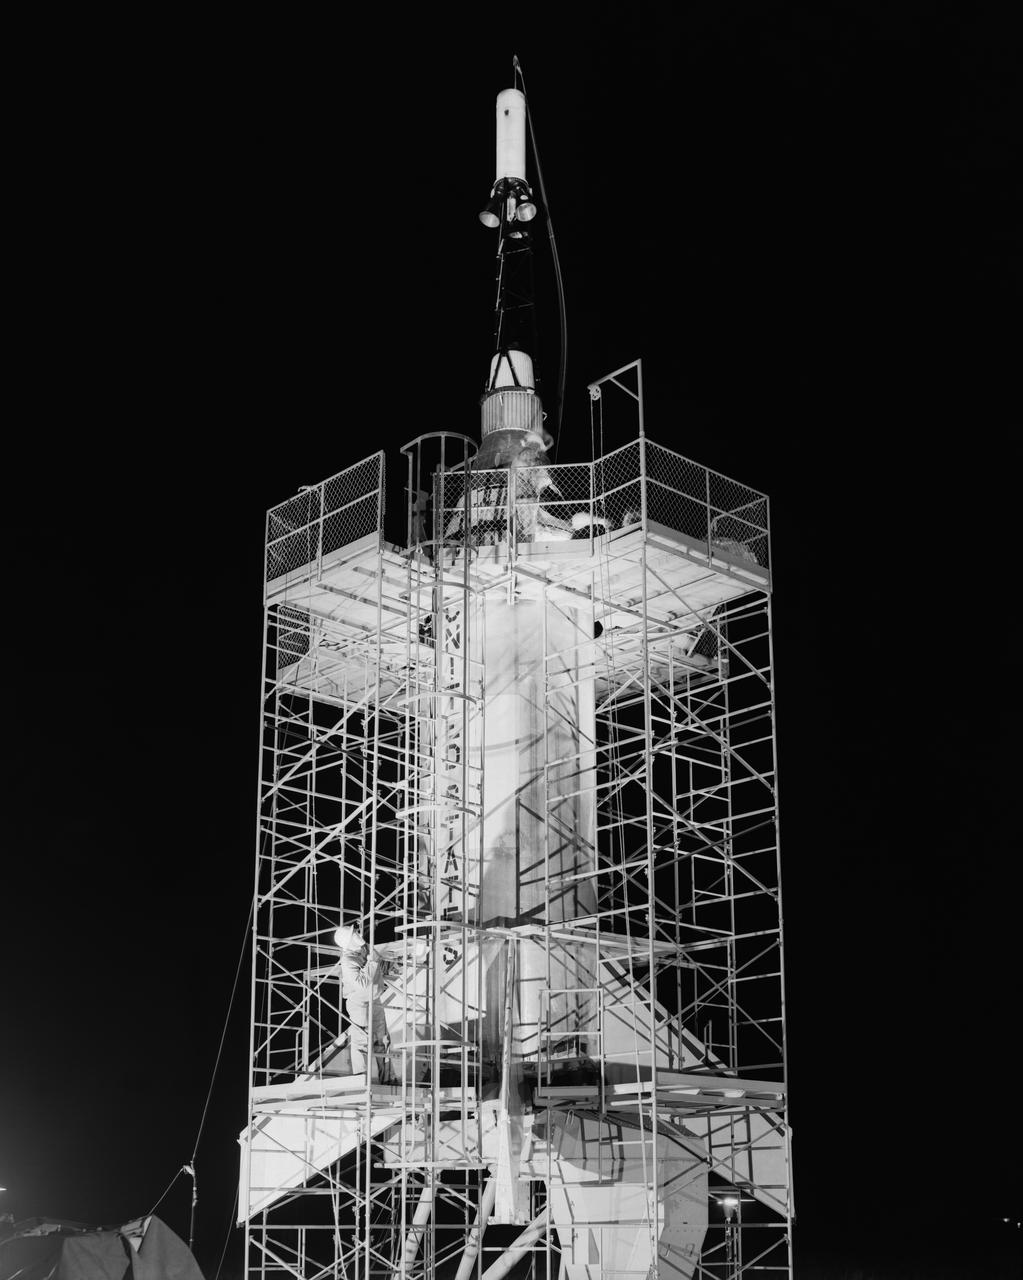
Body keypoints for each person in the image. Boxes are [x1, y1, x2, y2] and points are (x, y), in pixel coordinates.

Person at [334, 925, 391, 1079]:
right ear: (348, 942)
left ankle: (386, 1077)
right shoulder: (347, 960)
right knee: (362, 1042)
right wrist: (372, 962)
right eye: (354, 934)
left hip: (375, 1000)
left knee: (382, 1040)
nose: (358, 935)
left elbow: (377, 966)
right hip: (360, 1004)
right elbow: (363, 985)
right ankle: (361, 1078)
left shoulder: (364, 949)